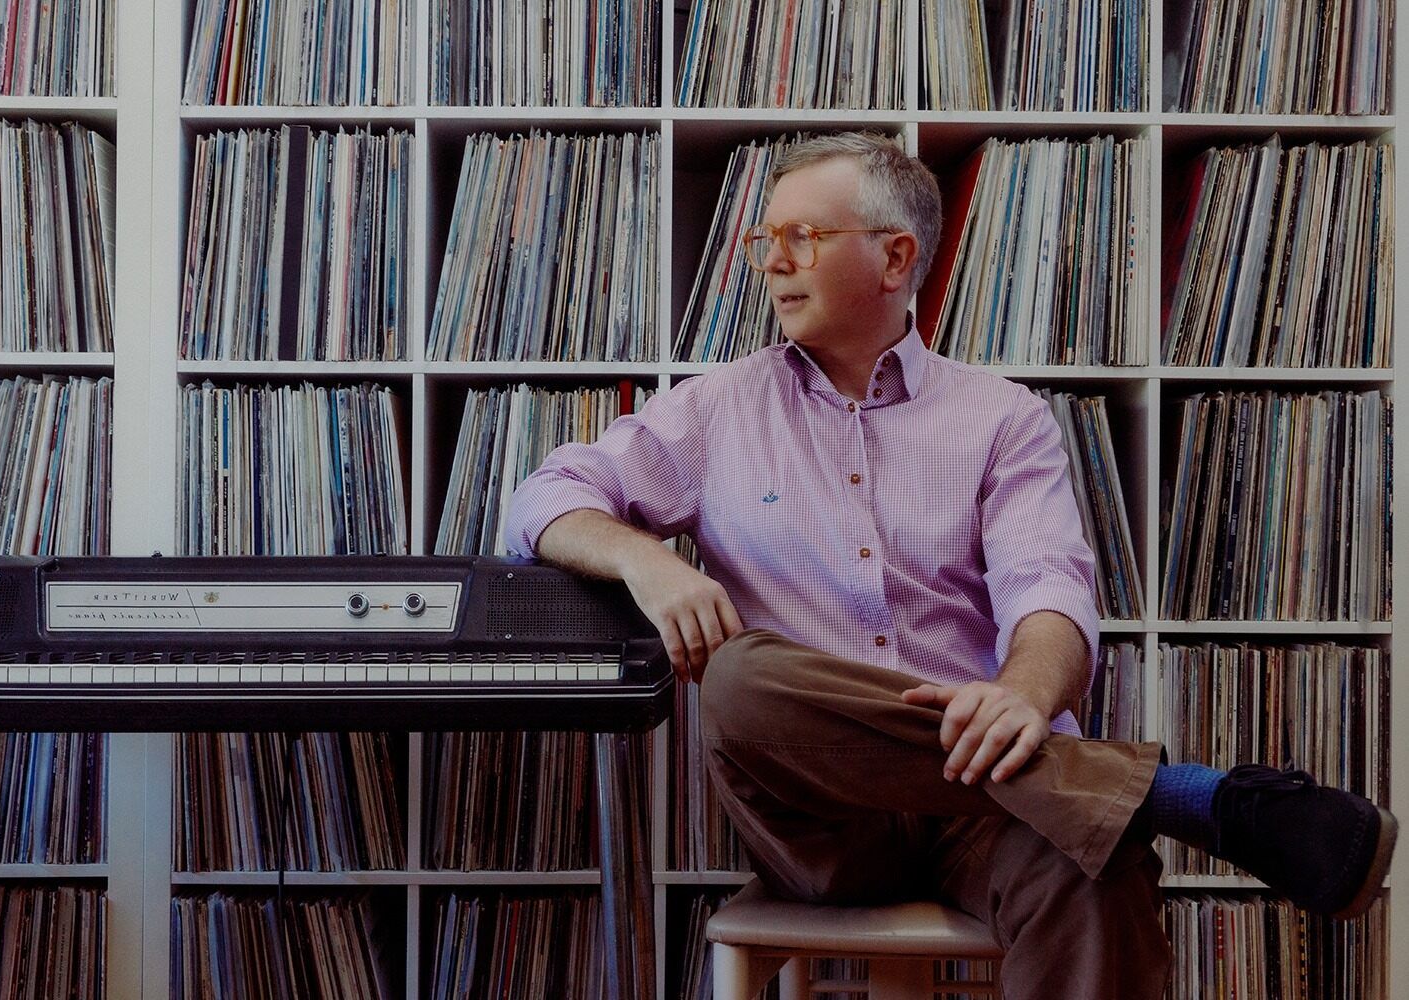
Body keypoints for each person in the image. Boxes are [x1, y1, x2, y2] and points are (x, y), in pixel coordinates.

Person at [502, 132, 1397, 999]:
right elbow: (543, 498)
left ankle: (1123, 802)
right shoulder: (718, 410)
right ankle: (1185, 798)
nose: (771, 261)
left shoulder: (1001, 419)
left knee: (1095, 856)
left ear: (895, 260)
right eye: (763, 240)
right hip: (823, 826)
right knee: (735, 681)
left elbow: (1049, 589)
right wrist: (645, 561)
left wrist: (1023, 694)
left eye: (800, 237)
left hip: (989, 801)